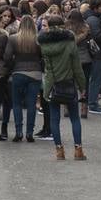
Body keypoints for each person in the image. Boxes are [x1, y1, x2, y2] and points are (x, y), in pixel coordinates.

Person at [38, 14, 86, 160]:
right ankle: (78, 150)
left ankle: (59, 150)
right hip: (68, 82)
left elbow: (46, 68)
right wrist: (82, 86)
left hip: (52, 84)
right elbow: (77, 66)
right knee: (74, 118)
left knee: (54, 118)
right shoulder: (70, 42)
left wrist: (46, 89)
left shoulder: (44, 45)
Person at [5, 15, 43, 143]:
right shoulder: (38, 39)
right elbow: (43, 56)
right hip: (35, 72)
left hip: (18, 72)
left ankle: (18, 131)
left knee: (17, 103)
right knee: (32, 104)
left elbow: (7, 57)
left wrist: (11, 68)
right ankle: (30, 132)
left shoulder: (13, 38)